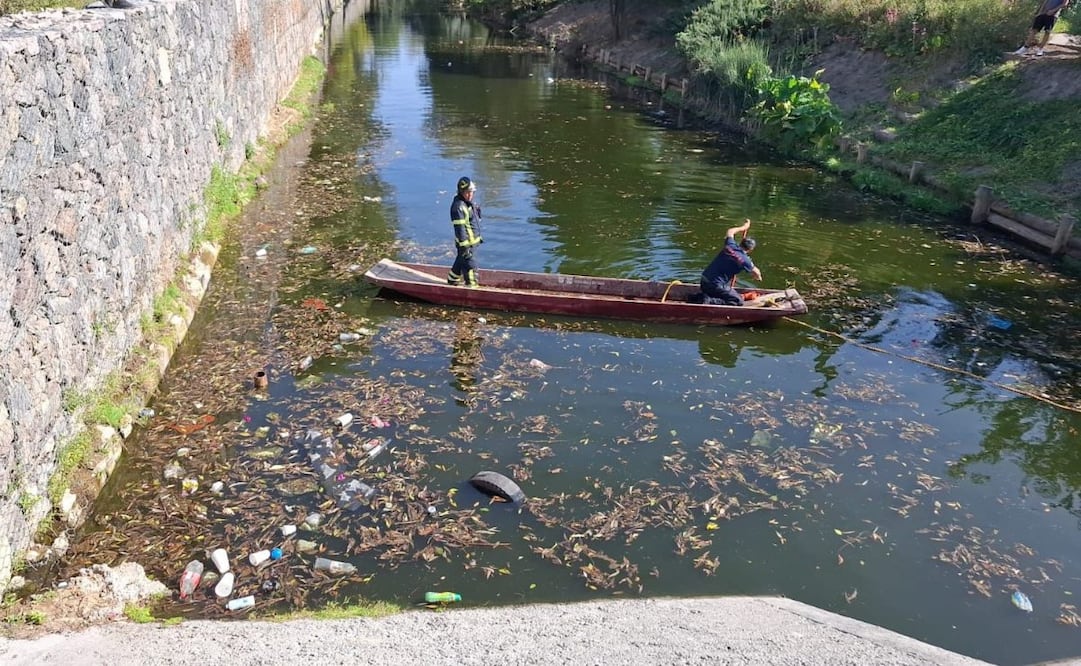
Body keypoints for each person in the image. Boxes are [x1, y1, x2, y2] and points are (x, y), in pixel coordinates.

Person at [696, 218, 762, 306]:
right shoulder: (746, 261)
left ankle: (700, 297)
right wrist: (758, 277)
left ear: (740, 243)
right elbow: (757, 273)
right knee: (738, 301)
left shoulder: (730, 245)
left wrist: (744, 227)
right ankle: (709, 300)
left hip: (704, 281)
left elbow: (730, 231)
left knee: (726, 292)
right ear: (750, 250)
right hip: (714, 286)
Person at [447, 176, 483, 287]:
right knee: (470, 265)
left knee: (461, 260)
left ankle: (452, 280)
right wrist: (465, 247)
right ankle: (472, 287)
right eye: (467, 192)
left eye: (471, 192)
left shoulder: (468, 203)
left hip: (472, 242)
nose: (470, 195)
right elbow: (460, 229)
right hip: (467, 244)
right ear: (461, 192)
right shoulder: (458, 207)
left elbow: (473, 221)